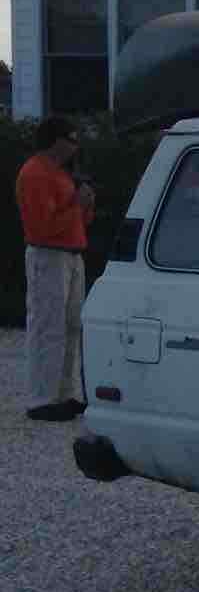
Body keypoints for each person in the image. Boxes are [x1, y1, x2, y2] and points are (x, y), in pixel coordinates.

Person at [14, 116, 95, 420]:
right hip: (48, 256)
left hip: (70, 254)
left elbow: (75, 220)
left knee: (71, 325)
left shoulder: (59, 173)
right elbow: (41, 227)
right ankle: (41, 399)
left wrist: (83, 206)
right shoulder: (35, 173)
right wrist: (77, 202)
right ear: (55, 140)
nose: (75, 145)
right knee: (48, 326)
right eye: (71, 138)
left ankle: (63, 393)